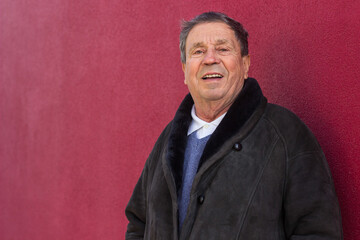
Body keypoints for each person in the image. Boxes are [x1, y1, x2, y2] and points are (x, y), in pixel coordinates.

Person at [125, 12, 343, 239]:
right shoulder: (168, 140)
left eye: (222, 49)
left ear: (245, 64)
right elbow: (138, 222)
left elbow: (318, 231)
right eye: (198, 51)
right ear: (184, 70)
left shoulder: (286, 135)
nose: (210, 59)